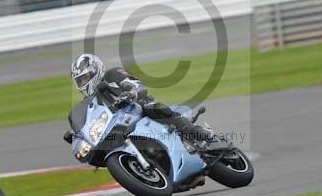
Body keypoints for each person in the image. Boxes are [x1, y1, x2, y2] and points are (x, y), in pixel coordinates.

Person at [65, 54, 212, 148]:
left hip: (138, 110)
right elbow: (91, 122)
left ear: (95, 71)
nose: (82, 83)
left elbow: (135, 84)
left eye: (85, 78)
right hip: (120, 126)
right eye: (79, 80)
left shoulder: (112, 74)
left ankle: (195, 131)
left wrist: (131, 92)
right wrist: (78, 134)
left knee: (151, 107)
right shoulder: (90, 102)